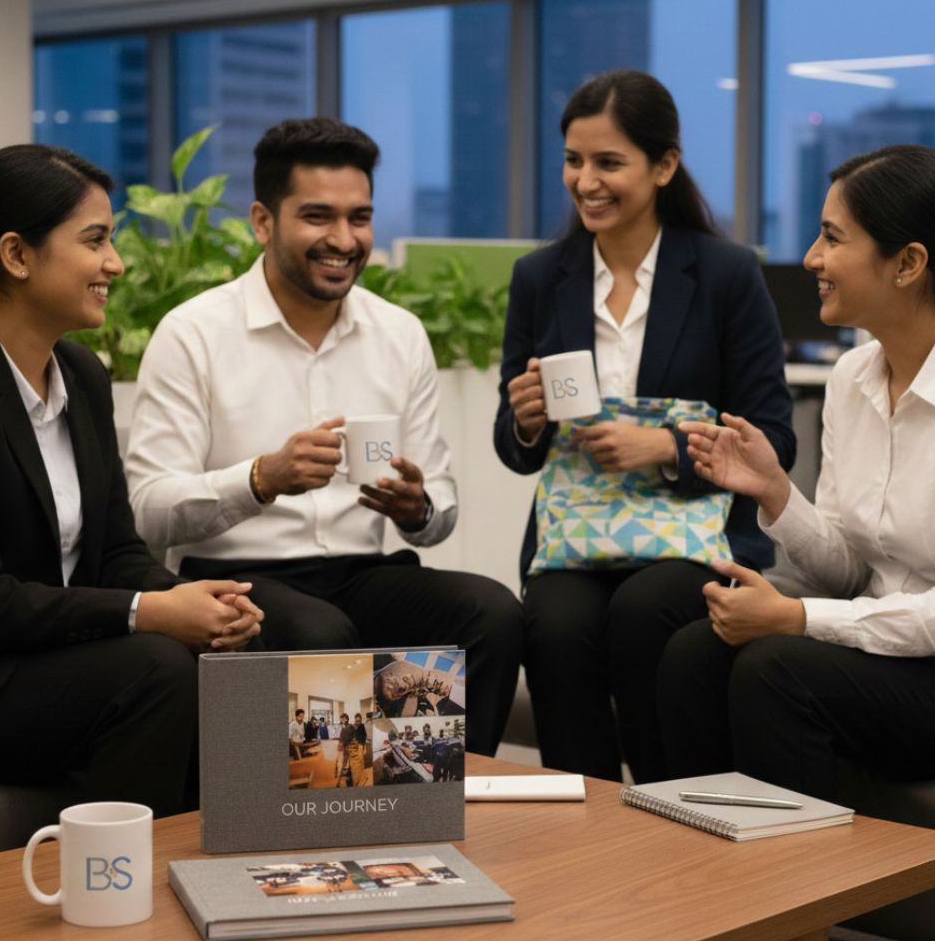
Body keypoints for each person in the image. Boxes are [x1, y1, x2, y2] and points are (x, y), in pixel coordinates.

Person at [125, 116, 523, 756]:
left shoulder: (399, 334)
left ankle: (439, 786)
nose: (343, 239)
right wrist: (261, 479)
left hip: (362, 571)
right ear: (263, 222)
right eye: (318, 217)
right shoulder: (193, 333)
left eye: (359, 218)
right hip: (237, 579)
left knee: (490, 611)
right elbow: (147, 509)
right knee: (320, 634)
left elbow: (440, 505)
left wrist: (417, 507)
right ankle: (345, 799)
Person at [0, 144, 261, 815]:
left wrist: (198, 603)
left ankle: (234, 860)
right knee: (157, 670)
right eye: (95, 241)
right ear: (16, 256)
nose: (115, 263)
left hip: (46, 660)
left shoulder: (82, 375)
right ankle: (110, 870)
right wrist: (149, 612)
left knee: (235, 647)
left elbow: (117, 553)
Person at [494, 70, 795, 782]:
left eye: (609, 162)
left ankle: (667, 806)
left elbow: (775, 437)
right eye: (573, 160)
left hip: (692, 531)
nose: (586, 181)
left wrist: (664, 447)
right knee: (554, 624)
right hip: (577, 534)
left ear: (663, 166)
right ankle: (586, 818)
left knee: (643, 612)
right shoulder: (540, 278)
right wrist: (527, 421)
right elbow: (515, 448)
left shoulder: (725, 275)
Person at [658, 144, 935, 799]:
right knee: (693, 654)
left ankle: (801, 867)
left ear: (907, 263)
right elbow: (850, 571)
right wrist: (775, 492)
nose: (811, 258)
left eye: (832, 238)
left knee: (774, 668)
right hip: (881, 645)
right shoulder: (851, 378)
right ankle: (699, 850)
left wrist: (800, 618)